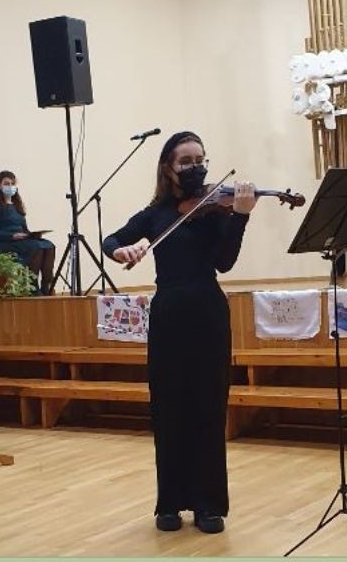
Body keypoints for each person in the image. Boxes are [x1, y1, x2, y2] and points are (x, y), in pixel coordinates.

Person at [102, 131, 256, 534]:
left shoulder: (216, 209)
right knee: (168, 408)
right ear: (168, 168)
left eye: (200, 160)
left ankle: (209, 506)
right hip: (168, 315)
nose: (195, 168)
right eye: (186, 161)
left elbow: (224, 262)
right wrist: (120, 250)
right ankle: (169, 502)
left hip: (208, 313)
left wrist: (240, 216)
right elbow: (111, 239)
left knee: (209, 407)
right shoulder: (155, 215)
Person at [0, 170, 56, 295]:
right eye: (6, 183)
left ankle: (46, 286)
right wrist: (13, 236)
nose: (10, 186)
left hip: (22, 240)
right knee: (36, 247)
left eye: (12, 184)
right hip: (6, 243)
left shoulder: (17, 205)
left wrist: (33, 235)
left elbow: (24, 229)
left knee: (49, 246)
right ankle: (33, 286)